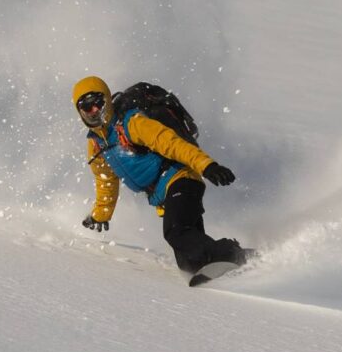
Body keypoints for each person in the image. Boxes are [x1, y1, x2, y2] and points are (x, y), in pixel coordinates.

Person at [72, 75, 246, 280]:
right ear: (80, 111)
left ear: (107, 100)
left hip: (181, 178)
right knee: (189, 264)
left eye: (97, 102)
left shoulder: (131, 123)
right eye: (86, 106)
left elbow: (172, 143)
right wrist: (100, 214)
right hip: (163, 196)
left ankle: (236, 255)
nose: (93, 111)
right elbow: (106, 180)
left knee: (176, 232)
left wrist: (207, 165)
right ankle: (237, 270)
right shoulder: (96, 144)